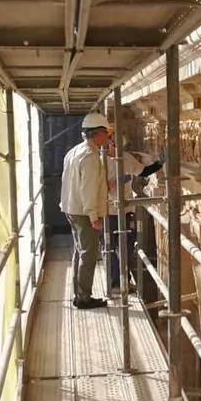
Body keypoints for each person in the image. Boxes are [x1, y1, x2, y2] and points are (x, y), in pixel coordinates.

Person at [60, 113, 113, 309]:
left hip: (71, 208)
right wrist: (93, 216)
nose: (108, 138)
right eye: (106, 134)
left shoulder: (75, 151)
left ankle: (79, 293)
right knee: (88, 255)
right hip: (83, 212)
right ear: (98, 134)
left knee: (80, 251)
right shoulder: (91, 156)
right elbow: (88, 187)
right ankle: (83, 298)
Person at [103, 139, 165, 294]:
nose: (115, 146)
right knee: (110, 248)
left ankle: (124, 280)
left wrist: (160, 163)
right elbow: (100, 186)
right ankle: (115, 283)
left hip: (126, 209)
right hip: (108, 210)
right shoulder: (98, 161)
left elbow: (143, 171)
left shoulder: (125, 157)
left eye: (116, 143)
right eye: (112, 143)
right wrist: (120, 181)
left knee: (127, 246)